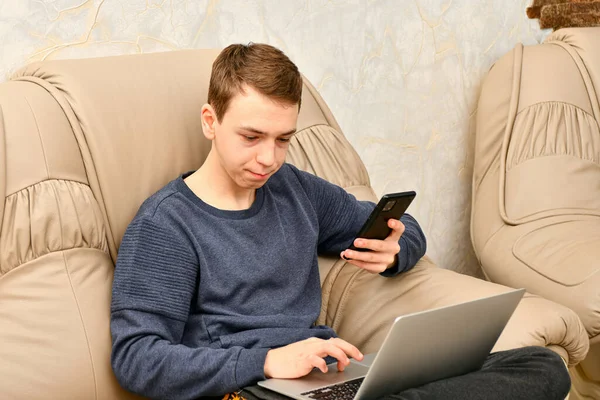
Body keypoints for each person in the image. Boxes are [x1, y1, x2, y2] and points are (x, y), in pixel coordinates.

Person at [110, 43, 571, 400]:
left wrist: (394, 250)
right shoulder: (165, 225)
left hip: (328, 378)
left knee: (540, 366)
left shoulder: (294, 189)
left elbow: (403, 228)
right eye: (251, 137)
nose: (268, 158)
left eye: (283, 139)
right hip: (246, 389)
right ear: (211, 121)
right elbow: (137, 358)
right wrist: (267, 361)